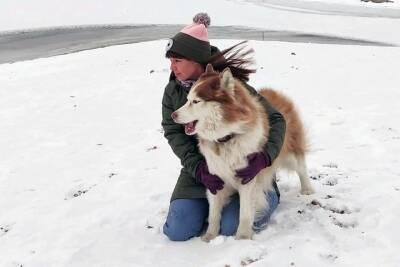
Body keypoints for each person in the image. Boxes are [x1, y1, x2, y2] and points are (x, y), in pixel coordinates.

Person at [161, 13, 286, 241]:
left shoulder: (232, 89)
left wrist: (265, 157)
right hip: (200, 169)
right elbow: (172, 133)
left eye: (177, 60)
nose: (172, 67)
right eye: (170, 61)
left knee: (231, 227)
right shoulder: (173, 92)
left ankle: (267, 196)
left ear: (195, 60)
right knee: (177, 230)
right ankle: (207, 210)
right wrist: (198, 168)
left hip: (244, 167)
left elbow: (277, 120)